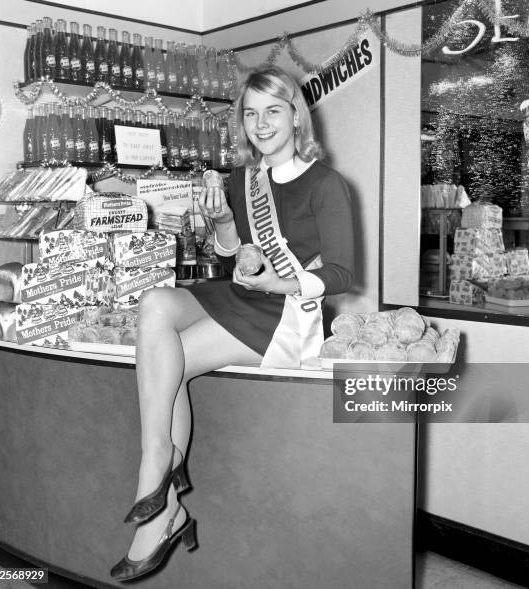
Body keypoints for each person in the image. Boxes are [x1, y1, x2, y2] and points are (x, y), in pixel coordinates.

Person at [110, 65, 355, 582]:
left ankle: (158, 493)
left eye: (273, 110)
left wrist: (278, 284)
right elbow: (236, 259)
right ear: (241, 123)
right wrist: (223, 223)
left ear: (295, 116)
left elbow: (341, 273)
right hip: (246, 296)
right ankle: (160, 472)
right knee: (155, 306)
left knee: (164, 363)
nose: (261, 123)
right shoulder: (243, 179)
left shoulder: (327, 184)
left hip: (288, 316)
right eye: (250, 113)